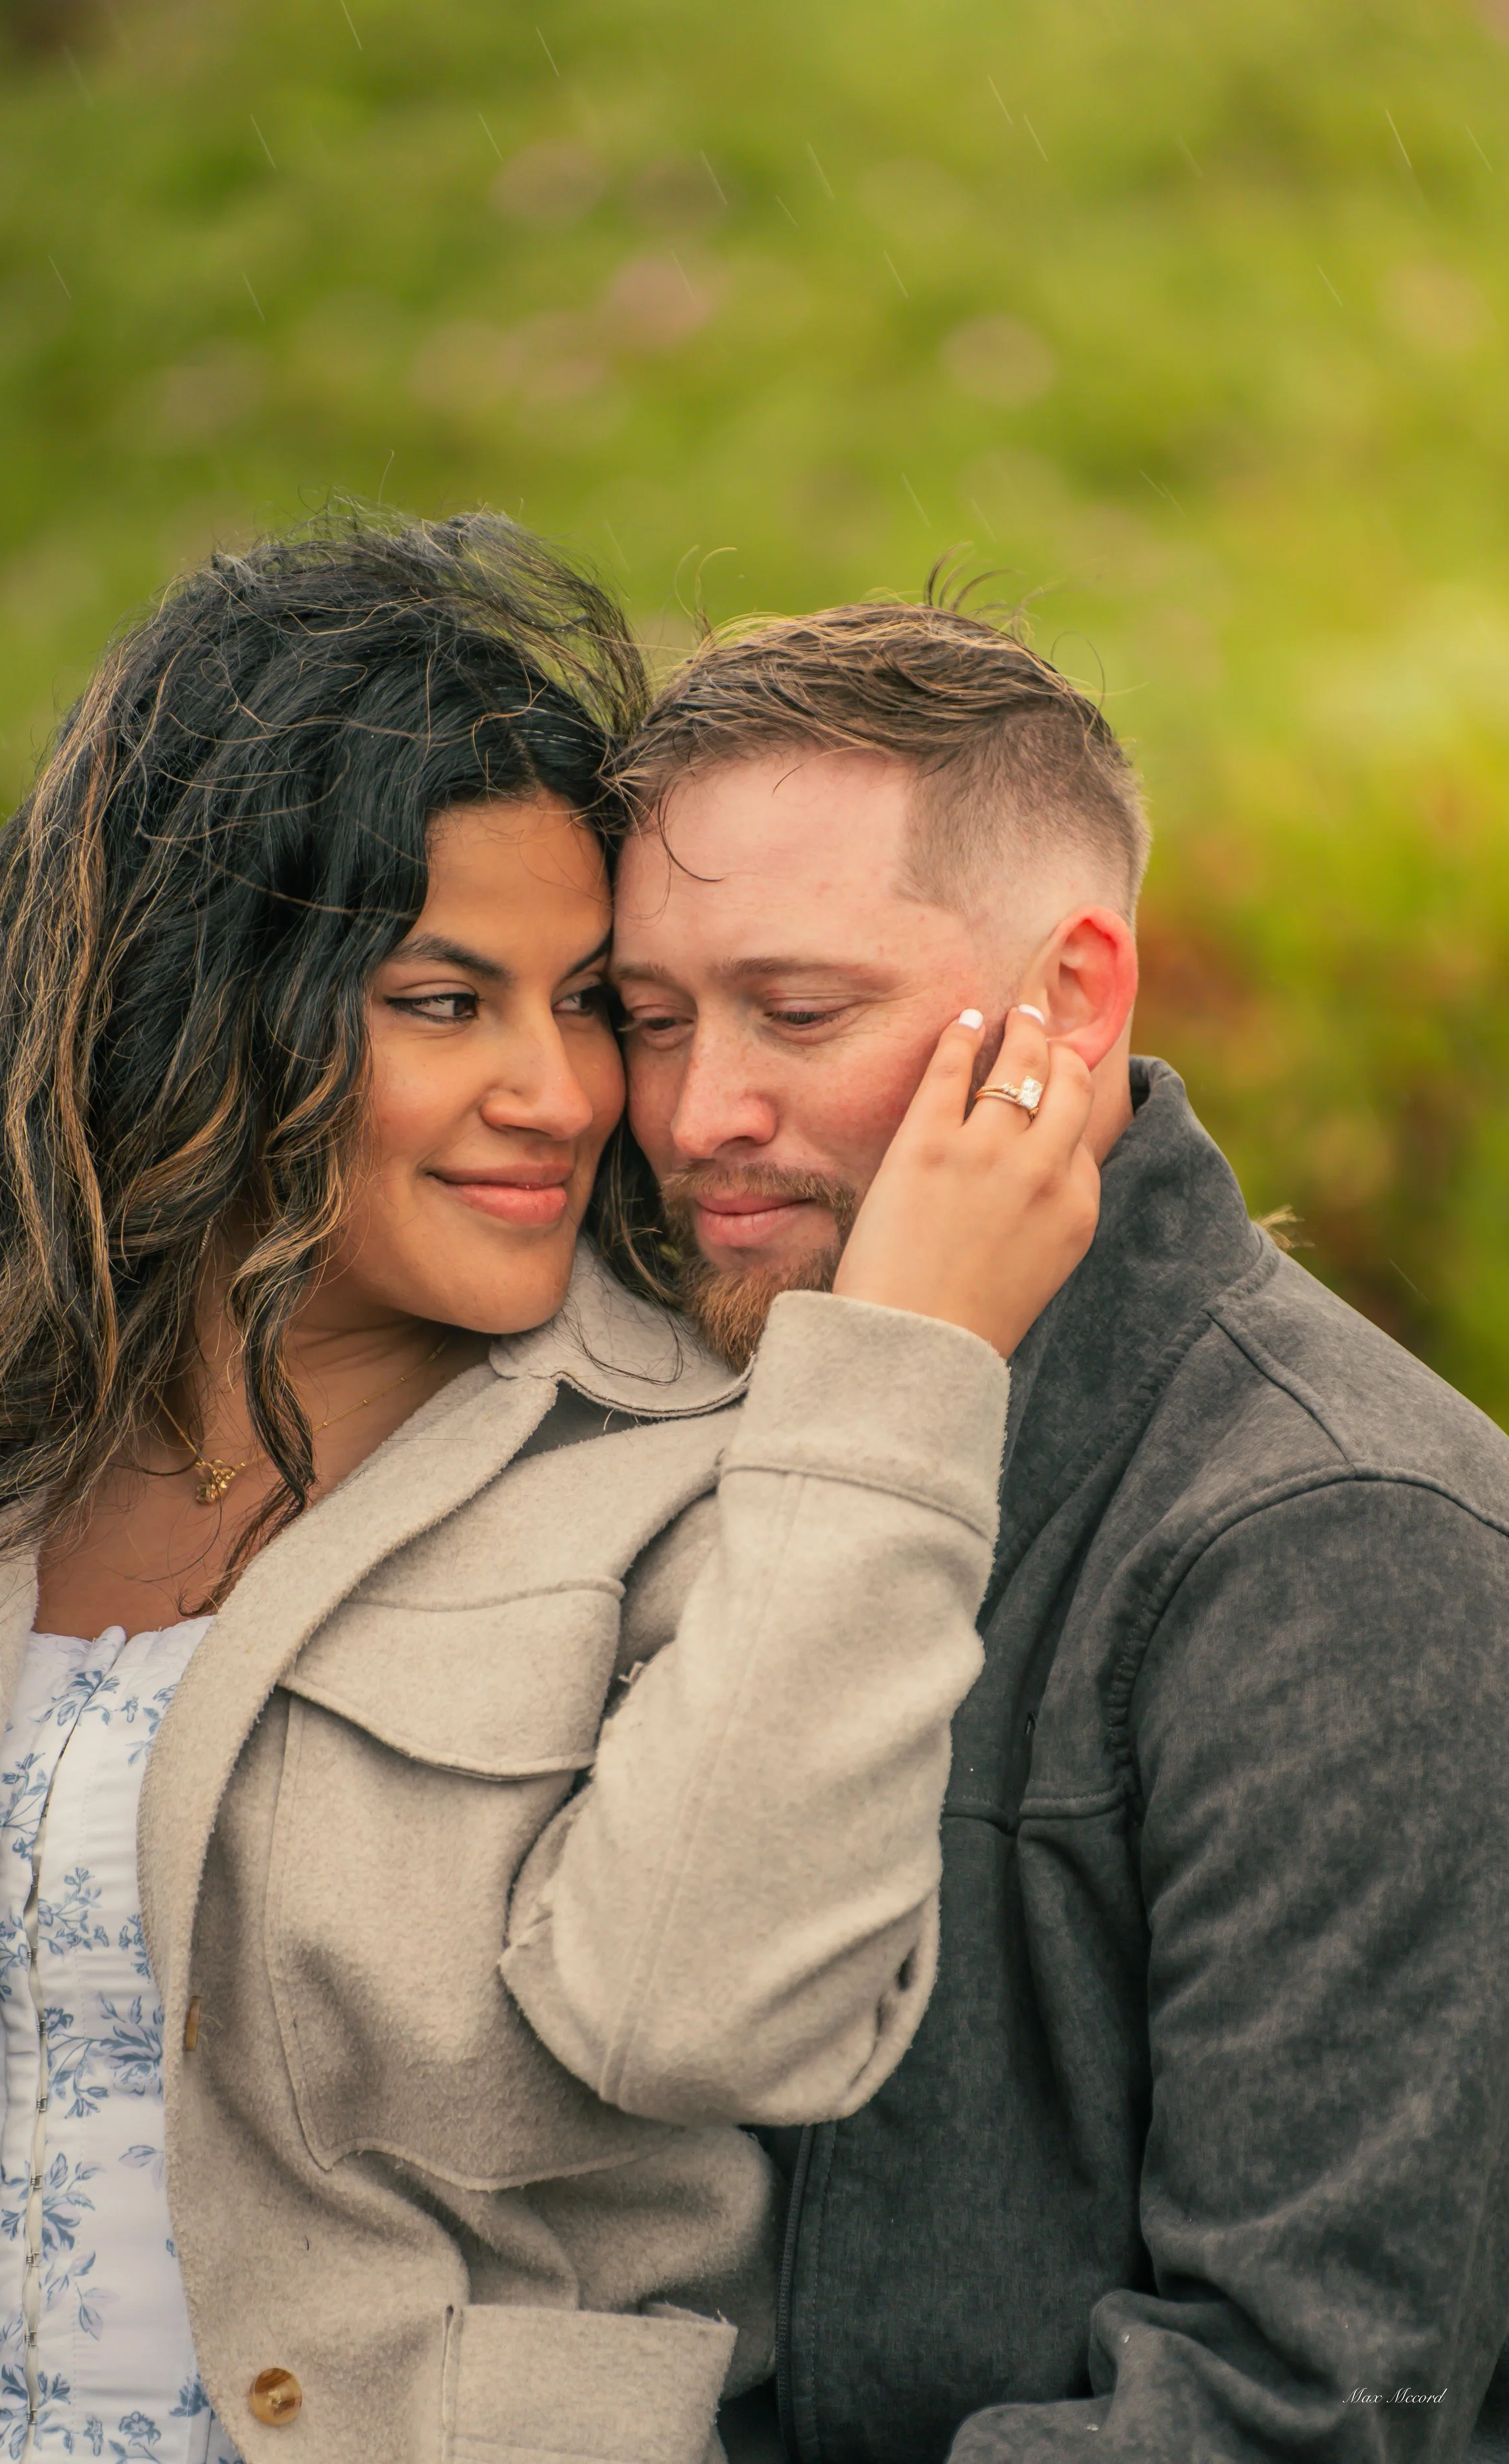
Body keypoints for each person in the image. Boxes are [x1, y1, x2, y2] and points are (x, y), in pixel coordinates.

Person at [0, 516, 1098, 2464]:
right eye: (445, 1001)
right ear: (199, 1010)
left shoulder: (709, 1478)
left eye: (589, 999)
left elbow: (711, 2009)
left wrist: (898, 1381)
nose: (567, 1088)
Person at [611, 593, 1509, 2463]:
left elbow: (1304, 2400)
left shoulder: (1341, 1542)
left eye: (797, 1010)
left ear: (1074, 999)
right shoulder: (663, 1404)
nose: (700, 1111)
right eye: (648, 1019)